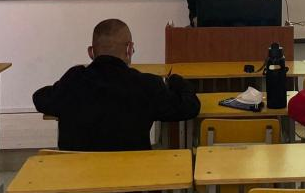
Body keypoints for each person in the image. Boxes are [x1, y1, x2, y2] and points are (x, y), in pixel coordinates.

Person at [33, 18, 200, 151]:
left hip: (78, 178)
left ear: (91, 52)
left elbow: (39, 98)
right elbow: (190, 107)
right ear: (129, 49)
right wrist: (176, 81)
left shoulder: (73, 80)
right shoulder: (147, 85)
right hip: (133, 178)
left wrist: (61, 86)